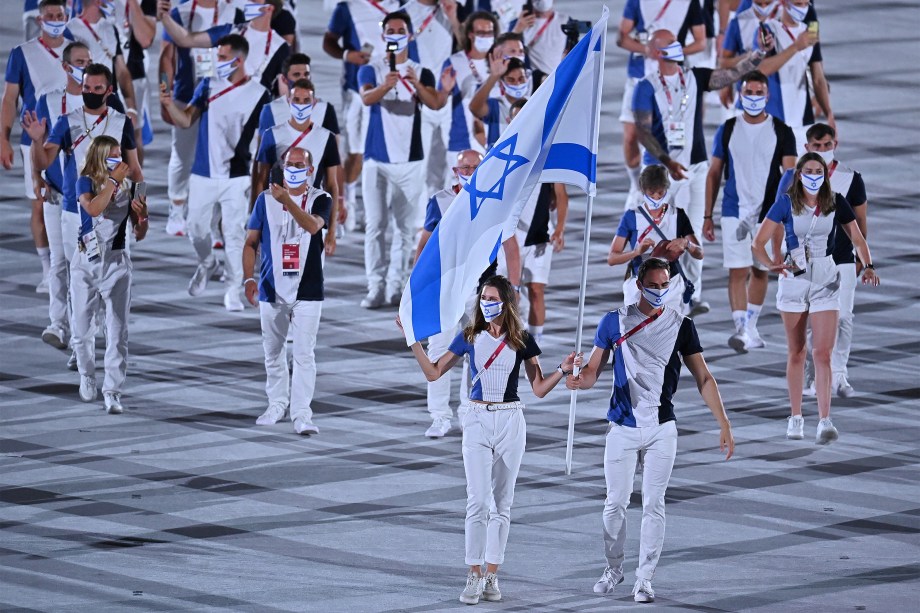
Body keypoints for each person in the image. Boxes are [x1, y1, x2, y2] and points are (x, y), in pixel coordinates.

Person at [401, 274, 578, 605]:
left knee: (502, 503)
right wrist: (413, 340)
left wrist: (563, 370)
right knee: (477, 501)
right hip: (477, 419)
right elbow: (433, 372)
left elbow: (538, 388)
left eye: (493, 298)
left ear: (507, 302)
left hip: (511, 419)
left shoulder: (521, 339)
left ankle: (492, 575)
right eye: (484, 297)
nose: (487, 303)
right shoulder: (468, 335)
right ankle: (473, 573)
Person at [567, 257, 734, 604]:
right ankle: (614, 569)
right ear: (639, 285)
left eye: (664, 285)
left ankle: (644, 579)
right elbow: (592, 373)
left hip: (662, 429)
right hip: (622, 427)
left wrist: (724, 423)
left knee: (654, 505)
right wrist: (575, 378)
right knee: (614, 505)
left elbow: (703, 377)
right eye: (653, 285)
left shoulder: (682, 325)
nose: (659, 291)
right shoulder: (614, 322)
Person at [632, 27, 774, 316]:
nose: (678, 46)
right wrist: (667, 161)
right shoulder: (646, 87)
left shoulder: (693, 77)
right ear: (658, 52)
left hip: (695, 169)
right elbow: (643, 131)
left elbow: (730, 74)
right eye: (671, 43)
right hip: (661, 173)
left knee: (691, 233)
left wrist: (758, 54)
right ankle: (651, 289)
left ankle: (691, 293)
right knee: (659, 234)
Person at [752, 153, 879, 445]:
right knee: (797, 352)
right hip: (794, 279)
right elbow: (757, 242)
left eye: (818, 170)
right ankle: (795, 417)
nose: (813, 175)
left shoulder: (834, 201)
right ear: (798, 175)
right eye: (808, 170)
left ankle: (824, 420)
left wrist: (868, 265)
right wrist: (771, 263)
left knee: (823, 353)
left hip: (825, 277)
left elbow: (857, 238)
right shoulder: (785, 202)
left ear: (825, 174)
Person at [159, 34, 272, 312]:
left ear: (239, 59)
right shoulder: (208, 85)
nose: (217, 62)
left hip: (237, 177)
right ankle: (208, 262)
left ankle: (233, 288)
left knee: (234, 234)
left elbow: (263, 144)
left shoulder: (260, 94)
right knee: (196, 229)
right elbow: (186, 119)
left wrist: (260, 184)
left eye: (222, 57)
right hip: (203, 173)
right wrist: (168, 102)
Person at [703, 70, 796, 351]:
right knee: (737, 270)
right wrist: (707, 216)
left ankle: (751, 326)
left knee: (760, 270)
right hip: (734, 209)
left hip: (769, 213)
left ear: (767, 96)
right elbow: (714, 173)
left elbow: (790, 175)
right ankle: (741, 329)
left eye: (758, 93)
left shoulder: (782, 130)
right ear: (740, 95)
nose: (753, 98)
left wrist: (785, 218)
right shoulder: (728, 128)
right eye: (748, 93)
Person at [243, 147, 331, 436]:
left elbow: (313, 227)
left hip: (308, 289)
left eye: (299, 164)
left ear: (310, 169)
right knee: (273, 351)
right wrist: (247, 278)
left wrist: (289, 203)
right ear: (282, 167)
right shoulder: (265, 200)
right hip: (271, 288)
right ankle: (276, 404)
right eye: (289, 164)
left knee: (304, 354)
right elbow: (250, 242)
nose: (293, 168)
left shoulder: (321, 198)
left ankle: (302, 414)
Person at [357, 11, 439, 308]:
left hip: (411, 160)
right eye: (390, 30)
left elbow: (434, 103)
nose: (395, 34)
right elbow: (366, 98)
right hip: (376, 159)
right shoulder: (372, 68)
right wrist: (385, 85)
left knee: (405, 228)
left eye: (400, 29)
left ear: (410, 35)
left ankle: (395, 285)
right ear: (383, 36)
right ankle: (375, 285)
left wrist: (415, 84)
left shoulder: (421, 71)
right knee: (375, 225)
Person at [789, 124, 869, 398]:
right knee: (813, 320)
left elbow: (860, 224)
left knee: (844, 316)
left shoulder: (851, 178)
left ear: (835, 143)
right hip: (809, 261)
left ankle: (840, 375)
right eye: (817, 146)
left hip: (843, 258)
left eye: (827, 145)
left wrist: (862, 261)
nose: (823, 150)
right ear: (807, 147)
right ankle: (815, 377)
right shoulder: (796, 178)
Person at [71, 135, 148, 414]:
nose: (119, 160)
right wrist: (113, 181)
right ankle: (87, 373)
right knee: (81, 329)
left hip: (116, 264)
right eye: (112, 155)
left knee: (117, 332)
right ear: (99, 158)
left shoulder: (134, 187)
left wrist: (143, 218)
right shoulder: (86, 181)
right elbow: (93, 208)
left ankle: (113, 391)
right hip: (85, 262)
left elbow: (139, 233)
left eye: (120, 155)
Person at [1, 0, 72, 293]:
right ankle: (48, 270)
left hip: (72, 140)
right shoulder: (22, 54)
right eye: (50, 16)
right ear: (40, 20)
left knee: (74, 205)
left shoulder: (77, 50)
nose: (55, 20)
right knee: (41, 206)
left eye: (60, 15)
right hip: (36, 142)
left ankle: (73, 264)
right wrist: (3, 138)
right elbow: (9, 100)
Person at [30, 41, 94, 353]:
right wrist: (35, 177)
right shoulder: (50, 100)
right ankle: (58, 324)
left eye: (89, 60)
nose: (85, 65)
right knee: (59, 262)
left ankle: (88, 334)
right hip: (58, 192)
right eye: (80, 61)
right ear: (66, 67)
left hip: (93, 201)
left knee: (88, 266)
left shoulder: (105, 100)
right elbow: (37, 142)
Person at [158, 0, 238, 237]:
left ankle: (214, 222)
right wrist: (165, 92)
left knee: (219, 157)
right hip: (186, 94)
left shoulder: (232, 11)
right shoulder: (179, 14)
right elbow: (166, 57)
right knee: (183, 155)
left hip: (222, 97)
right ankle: (177, 206)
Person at [616, 0, 705, 211]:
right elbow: (622, 37)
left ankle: (666, 188)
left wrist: (671, 51)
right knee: (631, 137)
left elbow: (701, 42)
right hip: (639, 75)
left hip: (672, 80)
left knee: (670, 137)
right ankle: (636, 183)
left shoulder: (689, 4)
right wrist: (648, 49)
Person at [323, 0, 402, 231]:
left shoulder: (400, 6)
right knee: (355, 151)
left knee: (386, 149)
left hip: (390, 89)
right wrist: (347, 54)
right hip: (357, 90)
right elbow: (328, 41)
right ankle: (346, 201)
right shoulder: (348, 8)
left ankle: (380, 205)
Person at [253, 78, 342, 254]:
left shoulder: (327, 138)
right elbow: (260, 180)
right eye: (296, 100)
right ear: (288, 101)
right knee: (282, 274)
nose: (301, 105)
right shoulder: (272, 135)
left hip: (312, 215)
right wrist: (258, 223)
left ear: (314, 103)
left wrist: (332, 231)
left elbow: (332, 185)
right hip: (279, 214)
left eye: (306, 101)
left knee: (311, 276)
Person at [722, 0, 829, 145]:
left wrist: (822, 96)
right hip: (760, 106)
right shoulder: (749, 15)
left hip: (798, 114)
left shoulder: (807, 13)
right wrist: (727, 83)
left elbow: (813, 58)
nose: (802, 7)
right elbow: (735, 60)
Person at [607, 165, 703, 310]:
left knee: (670, 330)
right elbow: (612, 258)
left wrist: (687, 243)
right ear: (643, 190)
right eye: (651, 193)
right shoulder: (631, 217)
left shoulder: (678, 215)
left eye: (660, 192)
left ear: (666, 189)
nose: (656, 198)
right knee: (638, 330)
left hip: (671, 284)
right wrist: (636, 252)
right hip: (639, 285)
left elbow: (699, 253)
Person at [158, 0, 291, 97]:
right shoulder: (230, 30)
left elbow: (285, 92)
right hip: (197, 102)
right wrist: (164, 16)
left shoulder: (281, 47)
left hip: (253, 120)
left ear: (269, 8)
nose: (248, 2)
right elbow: (184, 41)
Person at [404, 0, 462, 194]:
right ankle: (420, 221)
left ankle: (446, 214)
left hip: (448, 98)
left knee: (451, 162)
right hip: (419, 99)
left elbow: (465, 48)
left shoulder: (451, 9)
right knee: (420, 165)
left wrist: (453, 18)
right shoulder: (404, 14)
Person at [67, 0, 139, 136]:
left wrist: (131, 108)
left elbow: (122, 71)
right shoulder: (70, 30)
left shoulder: (110, 28)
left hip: (111, 102)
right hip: (85, 105)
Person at [437, 11, 498, 162]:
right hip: (462, 142)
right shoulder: (454, 62)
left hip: (496, 141)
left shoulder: (501, 62)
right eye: (481, 33)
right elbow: (439, 102)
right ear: (470, 34)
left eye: (489, 32)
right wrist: (445, 91)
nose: (486, 36)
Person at [469, 56, 529, 151]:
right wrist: (494, 76)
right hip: (499, 162)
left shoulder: (534, 104)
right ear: (501, 84)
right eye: (511, 80)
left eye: (521, 78)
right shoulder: (495, 105)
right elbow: (474, 108)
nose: (517, 83)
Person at [510, 0, 570, 85]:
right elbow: (505, 49)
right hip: (529, 81)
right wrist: (517, 30)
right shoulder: (518, 23)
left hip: (555, 80)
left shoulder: (565, 21)